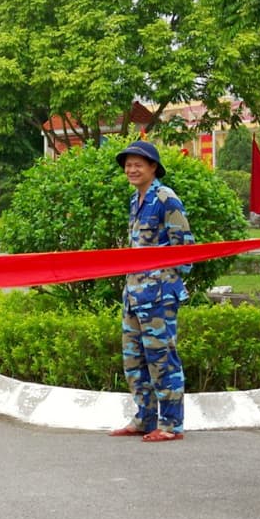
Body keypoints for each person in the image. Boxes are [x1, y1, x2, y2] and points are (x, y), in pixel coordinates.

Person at [106, 140, 194, 442]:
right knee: (134, 359)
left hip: (157, 296)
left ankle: (171, 425)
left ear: (153, 167)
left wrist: (164, 283)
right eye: (128, 164)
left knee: (161, 359)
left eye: (137, 164)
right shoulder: (136, 200)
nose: (131, 169)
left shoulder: (165, 198)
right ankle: (144, 418)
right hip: (133, 294)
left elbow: (185, 248)